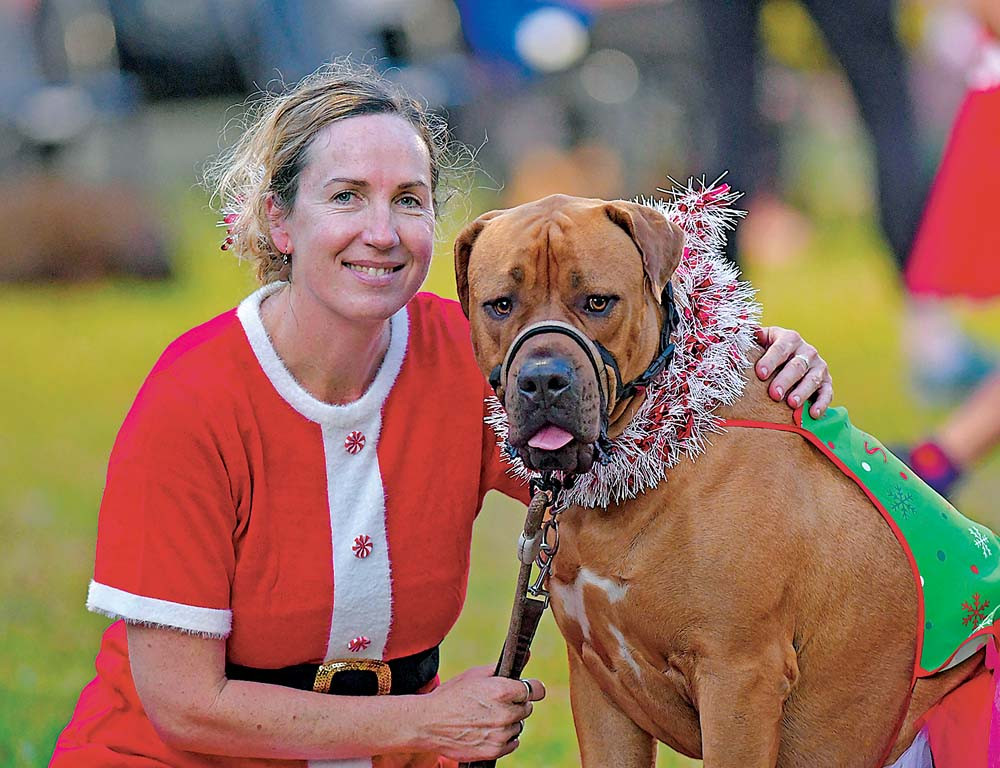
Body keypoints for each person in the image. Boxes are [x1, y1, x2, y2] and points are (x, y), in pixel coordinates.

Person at [50, 60, 835, 768]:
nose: (382, 233)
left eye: (410, 201)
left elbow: (657, 457)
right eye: (347, 197)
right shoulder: (193, 401)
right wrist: (422, 725)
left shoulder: (477, 357)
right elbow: (184, 705)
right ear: (280, 222)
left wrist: (754, 363)